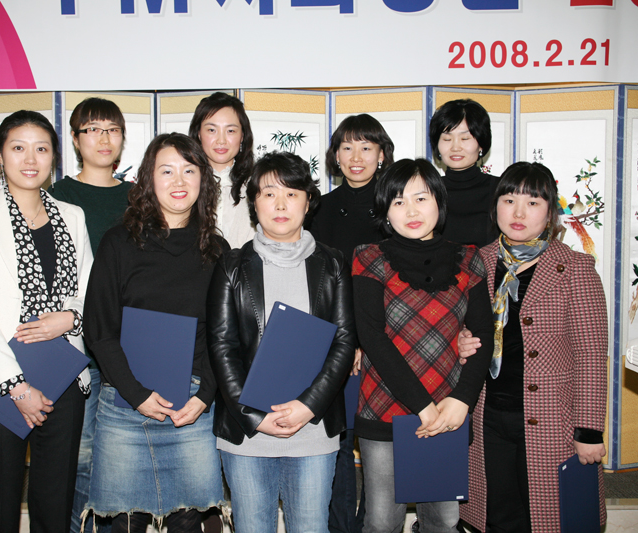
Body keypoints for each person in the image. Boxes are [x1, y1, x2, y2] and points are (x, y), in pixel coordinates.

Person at [0, 110, 93, 532]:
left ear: (54, 158)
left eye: (41, 149)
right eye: (18, 148)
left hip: (63, 371)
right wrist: (16, 386)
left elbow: (89, 292)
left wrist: (69, 318)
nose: (31, 159)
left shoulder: (73, 215)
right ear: (0, 155)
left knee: (55, 501)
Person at [82, 133, 227, 533]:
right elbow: (99, 329)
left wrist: (205, 396)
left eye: (189, 170)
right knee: (123, 525)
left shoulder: (217, 250)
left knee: (188, 523)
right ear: (148, 179)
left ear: (203, 180)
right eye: (167, 171)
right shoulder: (118, 242)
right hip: (124, 404)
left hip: (191, 408)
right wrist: (137, 394)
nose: (179, 181)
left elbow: (223, 336)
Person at [207, 151, 356, 533]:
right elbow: (222, 347)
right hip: (248, 431)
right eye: (269, 193)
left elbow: (343, 342)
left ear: (308, 202)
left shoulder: (333, 264)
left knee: (310, 526)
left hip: (313, 428)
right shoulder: (232, 265)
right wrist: (256, 417)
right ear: (254, 202)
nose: (280, 204)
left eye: (292, 193)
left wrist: (307, 407)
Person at [458, 162, 608, 533]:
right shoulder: (475, 262)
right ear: (496, 207)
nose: (519, 213)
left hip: (551, 418)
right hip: (486, 414)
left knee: (545, 516)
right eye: (509, 200)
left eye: (533, 202)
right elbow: (455, 323)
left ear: (550, 212)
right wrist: (459, 340)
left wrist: (588, 431)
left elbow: (591, 356)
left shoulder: (575, 268)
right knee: (496, 513)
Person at [352, 158, 493, 533]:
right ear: (386, 211)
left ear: (439, 203)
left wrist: (463, 400)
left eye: (421, 198)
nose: (411, 211)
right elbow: (372, 338)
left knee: (443, 521)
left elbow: (483, 334)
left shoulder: (469, 258)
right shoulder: (369, 257)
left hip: (448, 409)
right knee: (382, 521)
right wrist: (422, 407)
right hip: (384, 408)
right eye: (398, 201)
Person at [48, 96, 133, 533]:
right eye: (93, 129)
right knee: (80, 457)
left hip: (128, 345)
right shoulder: (57, 197)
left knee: (121, 458)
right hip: (77, 347)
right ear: (75, 139)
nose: (103, 138)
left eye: (112, 129)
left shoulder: (138, 196)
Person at [307, 113, 394, 533]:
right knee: (337, 442)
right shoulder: (317, 209)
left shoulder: (396, 207)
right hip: (331, 344)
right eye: (346, 147)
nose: (356, 157)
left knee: (379, 444)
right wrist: (345, 342)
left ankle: (372, 525)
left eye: (366, 147)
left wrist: (364, 340)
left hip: (387, 344)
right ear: (335, 155)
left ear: (381, 155)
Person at [189, 91, 256, 248]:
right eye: (212, 130)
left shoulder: (258, 185)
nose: (221, 140)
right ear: (198, 134)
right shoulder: (185, 185)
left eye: (230, 131)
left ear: (242, 136)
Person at [429, 98, 498, 248]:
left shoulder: (500, 190)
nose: (455, 147)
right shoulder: (428, 191)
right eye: (447, 139)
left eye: (465, 138)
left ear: (481, 144)